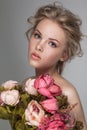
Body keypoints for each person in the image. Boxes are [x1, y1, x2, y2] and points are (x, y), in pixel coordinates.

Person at [24, 2, 87, 130]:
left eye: (52, 43)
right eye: (37, 36)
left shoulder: (67, 93)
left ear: (64, 55)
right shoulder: (26, 84)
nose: (39, 46)